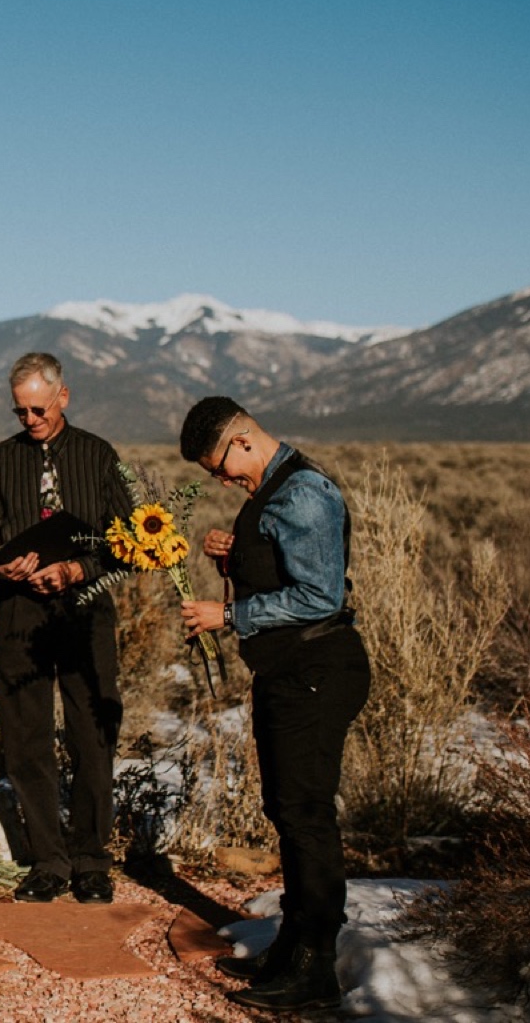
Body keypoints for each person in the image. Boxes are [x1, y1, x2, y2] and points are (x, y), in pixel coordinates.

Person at [178, 396, 370, 1013]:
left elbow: (318, 595)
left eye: (219, 468)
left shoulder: (304, 493)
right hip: (289, 672)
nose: (222, 480)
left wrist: (228, 614)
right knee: (287, 808)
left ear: (242, 440)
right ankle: (293, 944)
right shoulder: (270, 494)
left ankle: (317, 968)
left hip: (316, 670)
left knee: (307, 814)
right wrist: (233, 556)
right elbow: (283, 569)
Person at [0, 352, 133, 904]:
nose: (30, 420)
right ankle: (47, 861)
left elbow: (128, 541)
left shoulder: (98, 456)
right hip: (19, 613)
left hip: (85, 612)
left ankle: (91, 861)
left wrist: (80, 568)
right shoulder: (0, 460)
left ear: (64, 396)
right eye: (19, 412)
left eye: (38, 408)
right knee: (25, 740)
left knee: (92, 735)